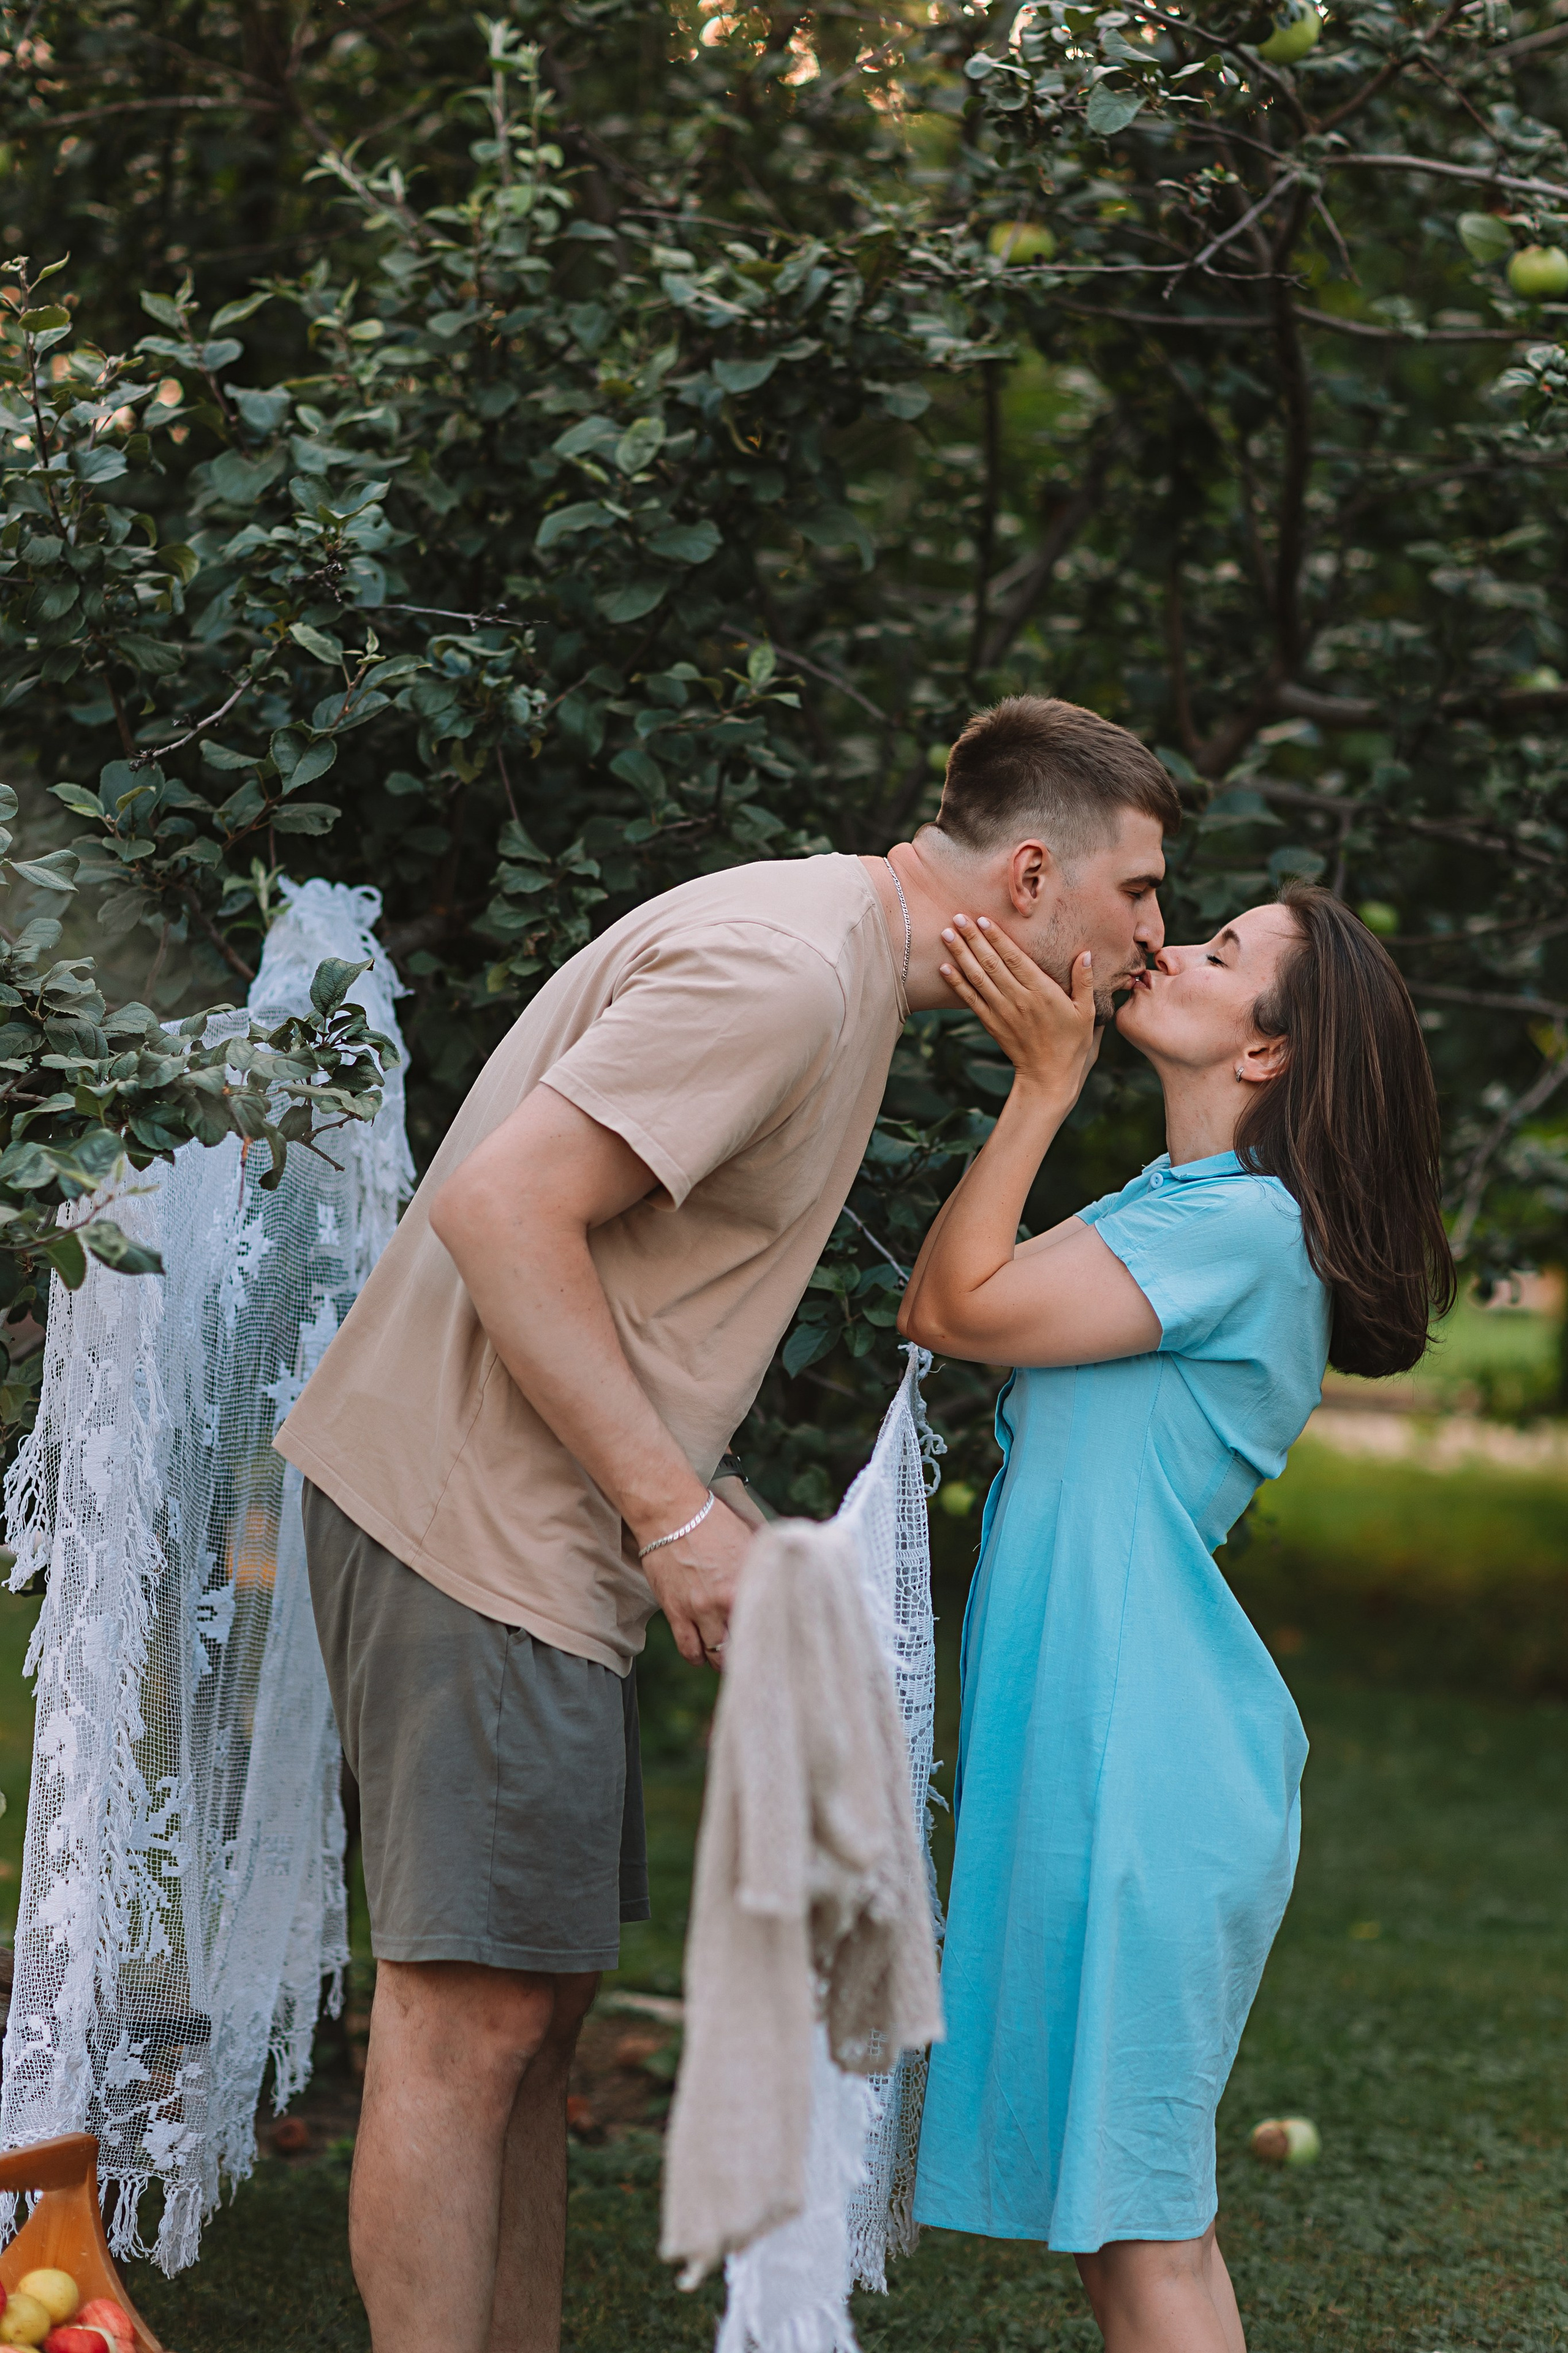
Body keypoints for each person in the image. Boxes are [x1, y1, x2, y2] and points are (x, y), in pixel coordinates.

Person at [272, 693, 1182, 2353]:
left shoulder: (828, 951)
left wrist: (709, 1512)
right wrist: (673, 1507)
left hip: (533, 1528)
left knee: (532, 2024)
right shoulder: (789, 969)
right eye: (1142, 897)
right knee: (466, 2024)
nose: (1155, 940)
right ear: (1037, 872)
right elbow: (500, 1210)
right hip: (477, 1524)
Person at [902, 885, 1454, 2353]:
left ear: (1267, 1054)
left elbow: (948, 1309)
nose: (1170, 945)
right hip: (1090, 1738)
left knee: (1144, 2231)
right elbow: (960, 1293)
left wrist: (1042, 1081)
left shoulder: (1251, 1233)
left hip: (1144, 1760)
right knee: (1115, 2229)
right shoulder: (1174, 1204)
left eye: (1219, 953)